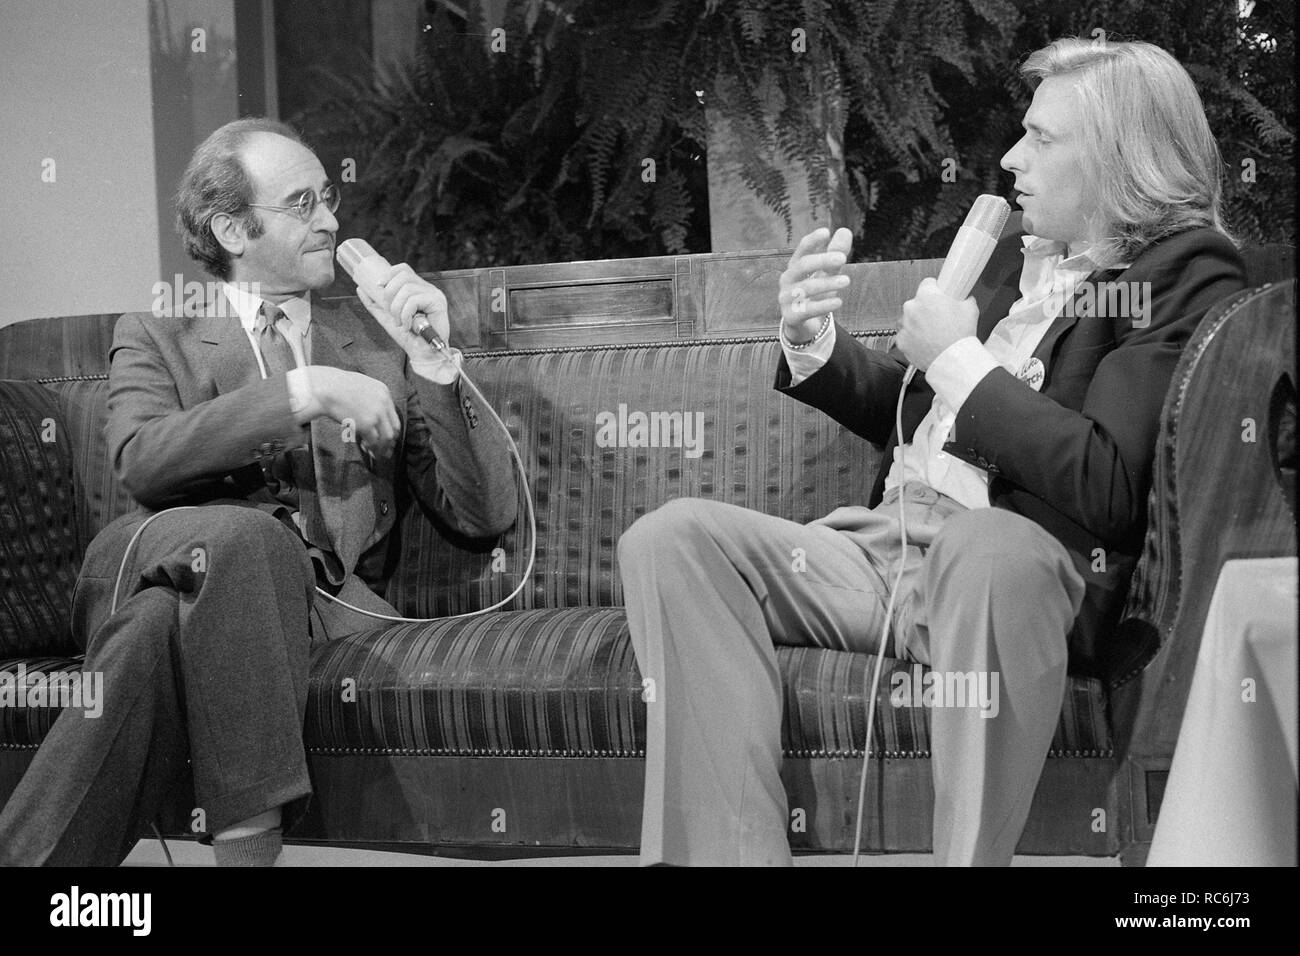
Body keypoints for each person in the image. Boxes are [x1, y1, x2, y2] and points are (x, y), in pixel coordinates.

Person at [617, 38, 1247, 865]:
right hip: (883, 550)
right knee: (671, 539)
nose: (1012, 155)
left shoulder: (1179, 272)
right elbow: (919, 412)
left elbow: (1109, 482)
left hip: (1009, 568)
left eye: (1043, 139)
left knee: (987, 550)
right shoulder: (1015, 262)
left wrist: (959, 359)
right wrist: (814, 343)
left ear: (1123, 157)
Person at [0, 118, 517, 866]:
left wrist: (435, 368)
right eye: (303, 203)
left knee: (158, 627)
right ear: (233, 230)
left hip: (308, 613)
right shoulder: (158, 333)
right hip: (154, 560)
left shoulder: (376, 345)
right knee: (243, 539)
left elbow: (484, 515)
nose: (332, 221)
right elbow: (142, 460)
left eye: (328, 198)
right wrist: (301, 391)